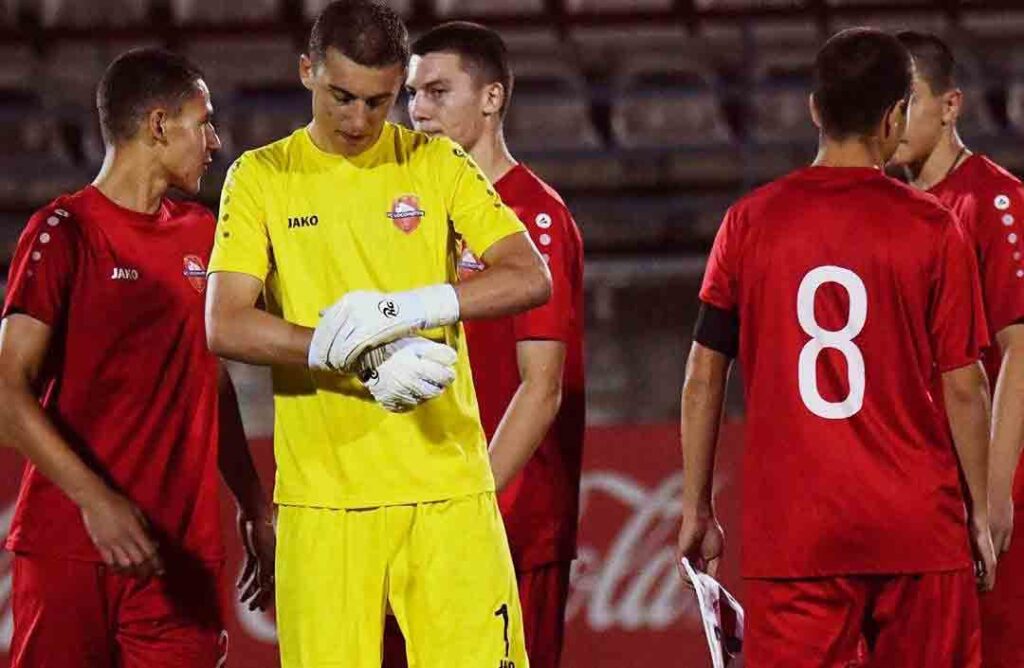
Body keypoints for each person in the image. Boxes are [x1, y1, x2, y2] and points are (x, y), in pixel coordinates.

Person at [202, 2, 551, 667]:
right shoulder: (261, 177)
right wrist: (349, 355)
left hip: (449, 490)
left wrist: (406, 310)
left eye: (380, 101)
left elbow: (529, 276)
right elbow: (225, 321)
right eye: (342, 97)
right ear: (307, 71)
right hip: (324, 503)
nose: (360, 119)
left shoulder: (438, 164)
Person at [676, 28, 995, 667]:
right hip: (915, 526)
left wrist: (697, 506)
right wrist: (979, 513)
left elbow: (705, 376)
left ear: (814, 109)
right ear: (895, 116)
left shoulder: (749, 221)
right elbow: (965, 384)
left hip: (796, 531)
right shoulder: (934, 227)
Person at [0, 48, 274, 668]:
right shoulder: (63, 231)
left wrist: (253, 502)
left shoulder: (205, 234)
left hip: (181, 556)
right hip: (70, 544)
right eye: (202, 122)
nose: (215, 140)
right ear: (157, 125)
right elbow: (6, 394)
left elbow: (214, 379)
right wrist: (96, 502)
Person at [388, 21, 586, 668]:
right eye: (413, 93)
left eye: (439, 92)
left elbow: (542, 385)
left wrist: (469, 505)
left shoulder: (535, 217)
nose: (419, 110)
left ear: (493, 98)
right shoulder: (407, 215)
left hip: (507, 523)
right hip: (410, 520)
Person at [889, 30, 1024, 668]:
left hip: (988, 478)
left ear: (950, 106)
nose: (895, 117)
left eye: (910, 100)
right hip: (928, 486)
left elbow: (1019, 352)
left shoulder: (992, 200)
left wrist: (995, 496)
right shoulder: (895, 211)